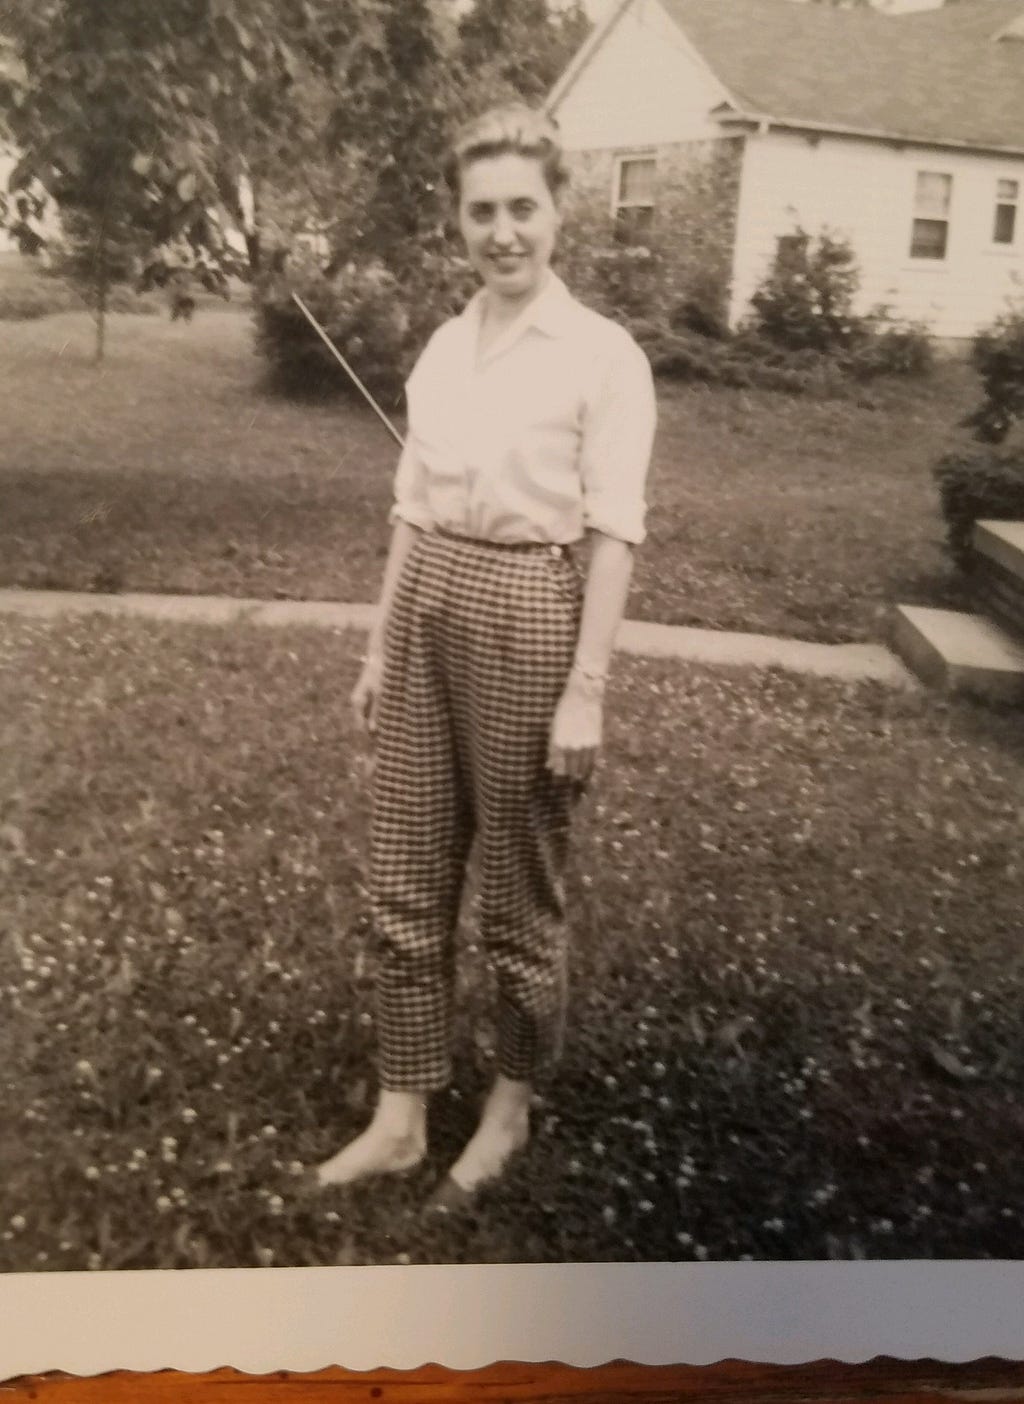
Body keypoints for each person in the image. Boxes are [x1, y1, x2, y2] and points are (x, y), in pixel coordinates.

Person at [313, 103, 657, 1209]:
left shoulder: (603, 356)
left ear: (559, 213)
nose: (502, 232)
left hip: (530, 608)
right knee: (404, 878)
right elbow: (409, 513)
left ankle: (509, 1105)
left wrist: (584, 692)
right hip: (427, 604)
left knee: (516, 894)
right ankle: (404, 1114)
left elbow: (613, 533)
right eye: (481, 212)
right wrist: (379, 647)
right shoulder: (443, 347)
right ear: (456, 221)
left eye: (523, 207)